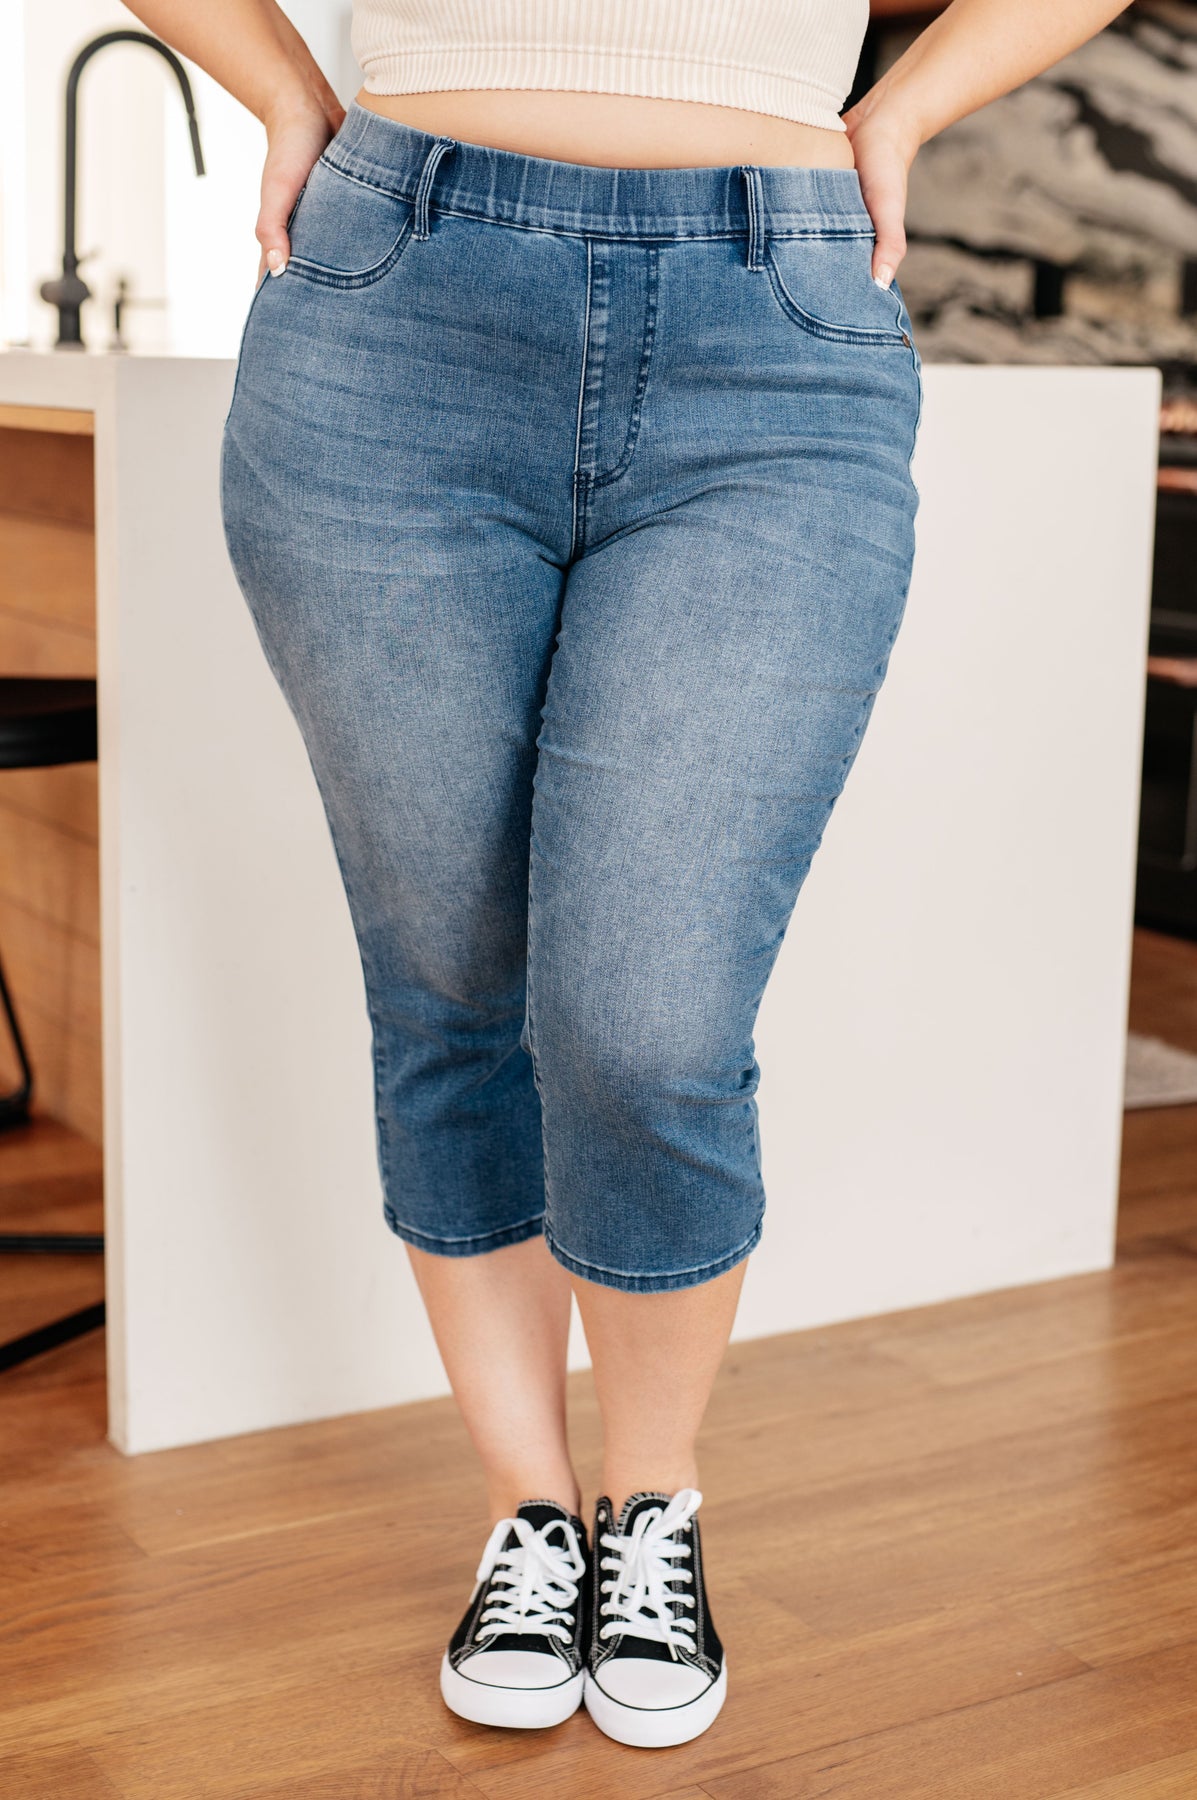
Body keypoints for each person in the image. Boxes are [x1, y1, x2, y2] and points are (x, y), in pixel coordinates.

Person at [128, 0, 1132, 1751]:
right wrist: (284, 89)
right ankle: (530, 1515)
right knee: (448, 977)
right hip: (395, 311)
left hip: (775, 332)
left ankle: (648, 1505)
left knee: (648, 1021)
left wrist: (900, 111)